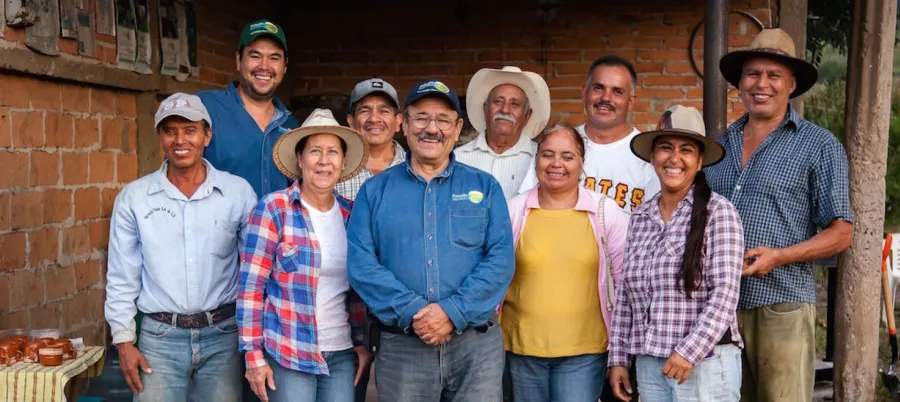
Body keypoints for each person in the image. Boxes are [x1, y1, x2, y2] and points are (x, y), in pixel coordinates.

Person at [706, 28, 853, 402]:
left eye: (774, 75)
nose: (761, 84)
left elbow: (841, 232)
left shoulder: (818, 145)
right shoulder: (719, 147)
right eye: (753, 74)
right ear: (740, 82)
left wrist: (780, 256)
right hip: (718, 310)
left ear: (791, 85)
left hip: (781, 304)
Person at [347, 79, 515, 401]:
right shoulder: (374, 192)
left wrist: (452, 312)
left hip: (476, 350)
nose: (432, 129)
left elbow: (500, 260)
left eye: (443, 120)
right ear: (405, 125)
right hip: (403, 349)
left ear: (458, 128)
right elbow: (362, 266)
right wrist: (416, 312)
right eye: (421, 118)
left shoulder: (485, 187)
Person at [104, 93, 257, 401]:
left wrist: (254, 341)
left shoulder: (237, 193)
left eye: (190, 130)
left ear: (207, 136)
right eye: (170, 131)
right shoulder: (134, 198)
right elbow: (122, 274)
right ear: (160, 137)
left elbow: (255, 272)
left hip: (223, 335)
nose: (180, 140)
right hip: (159, 338)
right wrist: (123, 340)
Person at [608, 105, 745, 402]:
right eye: (666, 148)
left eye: (686, 150)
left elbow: (725, 294)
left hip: (705, 363)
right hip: (649, 361)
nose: (674, 158)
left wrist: (688, 352)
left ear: (699, 162)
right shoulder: (641, 217)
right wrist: (618, 358)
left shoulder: (719, 212)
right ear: (653, 157)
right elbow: (625, 295)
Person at [237, 108, 373, 402]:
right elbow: (251, 288)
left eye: (333, 152)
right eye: (315, 151)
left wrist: (360, 342)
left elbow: (357, 289)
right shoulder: (274, 209)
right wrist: (253, 354)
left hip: (341, 352)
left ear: (343, 161)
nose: (324, 161)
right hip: (288, 351)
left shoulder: (351, 215)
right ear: (300, 159)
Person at [502, 124, 629, 401]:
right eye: (547, 154)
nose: (556, 164)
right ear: (536, 159)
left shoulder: (605, 211)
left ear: (582, 162)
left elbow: (623, 285)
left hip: (585, 352)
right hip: (522, 349)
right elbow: (495, 275)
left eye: (567, 156)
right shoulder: (513, 210)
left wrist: (620, 354)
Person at [516, 56, 659, 213]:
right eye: (598, 88)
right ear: (584, 93)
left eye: (617, 92)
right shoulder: (559, 144)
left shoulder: (646, 155)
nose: (606, 98)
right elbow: (526, 207)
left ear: (630, 102)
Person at [197, 19, 299, 197]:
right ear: (239, 60)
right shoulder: (205, 108)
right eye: (255, 56)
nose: (264, 66)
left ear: (285, 66)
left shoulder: (290, 125)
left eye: (274, 58)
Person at [455, 66, 550, 199]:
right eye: (498, 102)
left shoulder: (540, 159)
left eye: (515, 104)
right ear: (485, 109)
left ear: (526, 116)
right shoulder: (458, 158)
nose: (505, 110)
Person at [335, 78, 406, 201]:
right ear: (351, 122)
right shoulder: (332, 168)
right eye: (364, 111)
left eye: (384, 111)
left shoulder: (416, 168)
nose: (374, 119)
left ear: (398, 122)